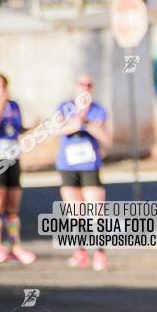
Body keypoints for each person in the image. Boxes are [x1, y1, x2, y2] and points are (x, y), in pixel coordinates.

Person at [56, 74, 113, 271]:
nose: (85, 88)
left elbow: (106, 137)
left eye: (89, 84)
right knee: (74, 212)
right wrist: (78, 120)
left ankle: (99, 252)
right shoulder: (64, 107)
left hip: (90, 165)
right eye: (82, 84)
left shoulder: (98, 110)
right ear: (75, 87)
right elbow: (60, 128)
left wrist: (86, 123)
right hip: (68, 165)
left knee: (95, 210)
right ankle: (80, 251)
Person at [0, 73, 37, 264]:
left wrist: (31, 127)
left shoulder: (14, 106)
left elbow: (16, 129)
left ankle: (15, 246)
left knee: (13, 205)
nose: (1, 89)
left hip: (12, 156)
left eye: (4, 85)